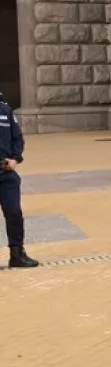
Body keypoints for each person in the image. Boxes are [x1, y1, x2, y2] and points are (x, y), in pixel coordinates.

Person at [0, 94, 38, 268]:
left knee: (14, 213)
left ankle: (17, 254)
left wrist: (15, 159)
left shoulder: (5, 110)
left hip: (6, 173)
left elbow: (18, 138)